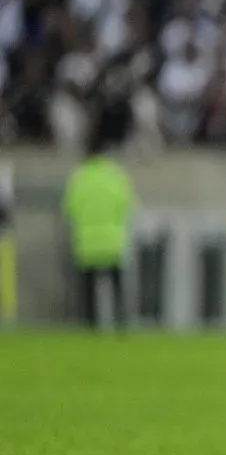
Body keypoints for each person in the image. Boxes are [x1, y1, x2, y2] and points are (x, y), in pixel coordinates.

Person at [62, 105, 137, 330]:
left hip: (87, 243)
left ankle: (92, 328)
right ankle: (121, 324)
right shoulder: (116, 175)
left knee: (89, 292)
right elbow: (128, 206)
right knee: (116, 288)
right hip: (113, 241)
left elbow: (69, 210)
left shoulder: (79, 178)